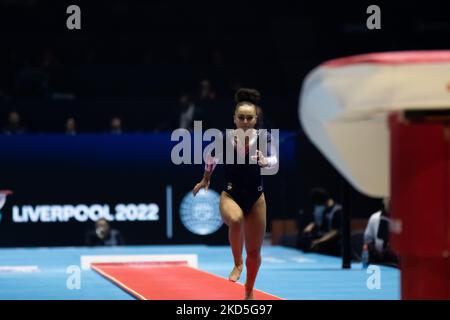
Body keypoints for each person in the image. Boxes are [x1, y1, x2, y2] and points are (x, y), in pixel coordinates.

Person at [192, 88, 278, 300]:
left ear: (256, 119)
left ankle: (248, 290)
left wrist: (265, 161)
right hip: (230, 195)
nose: (245, 121)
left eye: (250, 118)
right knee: (236, 219)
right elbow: (210, 159)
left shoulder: (264, 138)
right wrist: (206, 179)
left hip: (256, 198)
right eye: (241, 117)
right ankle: (237, 262)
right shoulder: (224, 138)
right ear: (234, 119)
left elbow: (274, 160)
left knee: (255, 254)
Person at [297, 187, 342, 256]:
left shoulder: (337, 211)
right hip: (320, 245)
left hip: (332, 247)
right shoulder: (321, 209)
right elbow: (317, 222)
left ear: (321, 200)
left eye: (317, 203)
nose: (317, 206)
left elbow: (336, 232)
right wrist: (310, 227)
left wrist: (319, 241)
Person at [363, 197, 399, 267]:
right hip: (377, 262)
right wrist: (374, 250)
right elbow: (367, 240)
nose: (390, 201)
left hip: (396, 264)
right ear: (384, 201)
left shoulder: (402, 219)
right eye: (388, 199)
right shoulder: (374, 218)